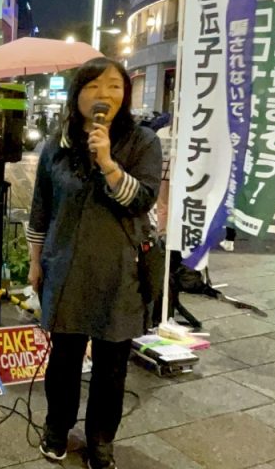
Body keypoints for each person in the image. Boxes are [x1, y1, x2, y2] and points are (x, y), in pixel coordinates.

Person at [26, 58, 161, 469]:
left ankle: (101, 440)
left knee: (111, 367)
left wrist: (107, 163)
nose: (106, 96)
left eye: (115, 87)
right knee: (63, 359)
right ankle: (57, 428)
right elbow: (41, 210)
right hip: (64, 269)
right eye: (95, 87)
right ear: (77, 93)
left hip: (118, 272)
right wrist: (35, 263)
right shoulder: (57, 145)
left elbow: (142, 200)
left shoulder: (142, 142)